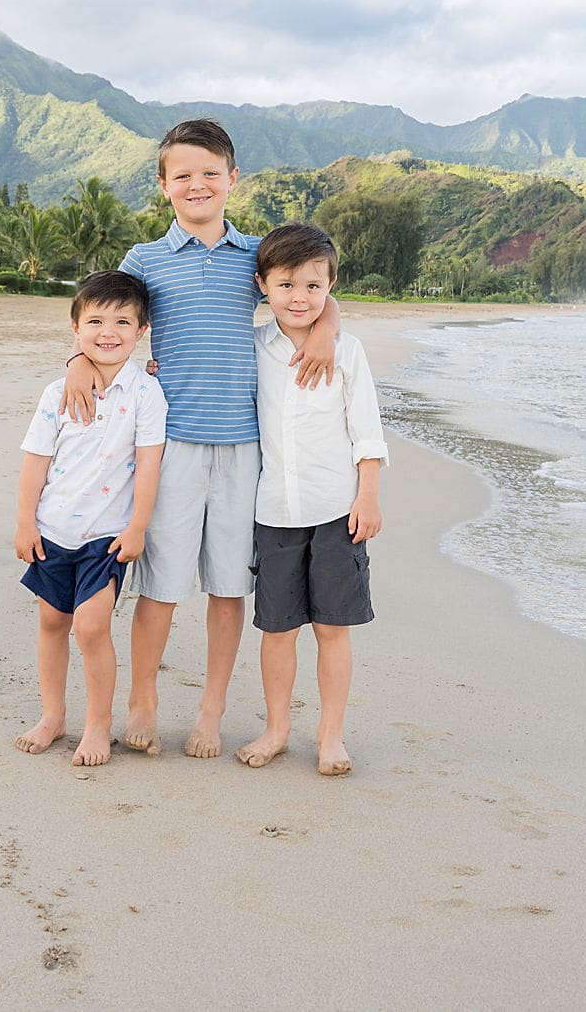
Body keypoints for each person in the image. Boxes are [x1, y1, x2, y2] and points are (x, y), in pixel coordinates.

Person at [60, 118, 339, 759]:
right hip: (170, 445)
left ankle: (210, 712)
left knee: (227, 587)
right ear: (163, 185)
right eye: (183, 174)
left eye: (211, 172)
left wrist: (326, 329)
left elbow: (310, 290)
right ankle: (143, 701)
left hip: (245, 447)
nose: (198, 184)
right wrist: (76, 363)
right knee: (160, 585)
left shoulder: (256, 257)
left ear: (232, 179)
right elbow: (105, 323)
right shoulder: (145, 261)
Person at [235, 222, 388, 777]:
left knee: (331, 627)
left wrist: (367, 496)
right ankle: (277, 729)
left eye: (313, 287)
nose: (299, 297)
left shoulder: (348, 352)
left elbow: (366, 431)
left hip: (335, 508)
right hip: (273, 510)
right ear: (263, 286)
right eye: (286, 285)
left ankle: (330, 736)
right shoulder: (252, 349)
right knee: (276, 629)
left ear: (330, 288)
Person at [14, 270, 165, 767]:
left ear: (141, 331)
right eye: (96, 320)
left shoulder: (145, 394)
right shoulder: (57, 390)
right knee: (52, 620)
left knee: (91, 626)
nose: (109, 331)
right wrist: (24, 521)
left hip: (107, 536)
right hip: (53, 529)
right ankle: (53, 715)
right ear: (76, 328)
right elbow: (36, 460)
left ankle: (98, 724)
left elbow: (148, 465)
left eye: (123, 322)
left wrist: (137, 525)